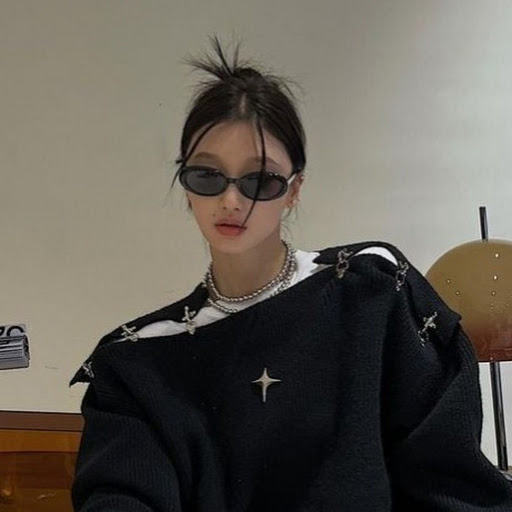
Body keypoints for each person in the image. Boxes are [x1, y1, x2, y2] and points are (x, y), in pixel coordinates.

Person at [70, 38, 512, 511]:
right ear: (185, 185)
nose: (231, 201)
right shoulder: (138, 361)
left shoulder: (375, 293)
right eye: (207, 176)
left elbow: (450, 482)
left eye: (260, 180)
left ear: (295, 188)